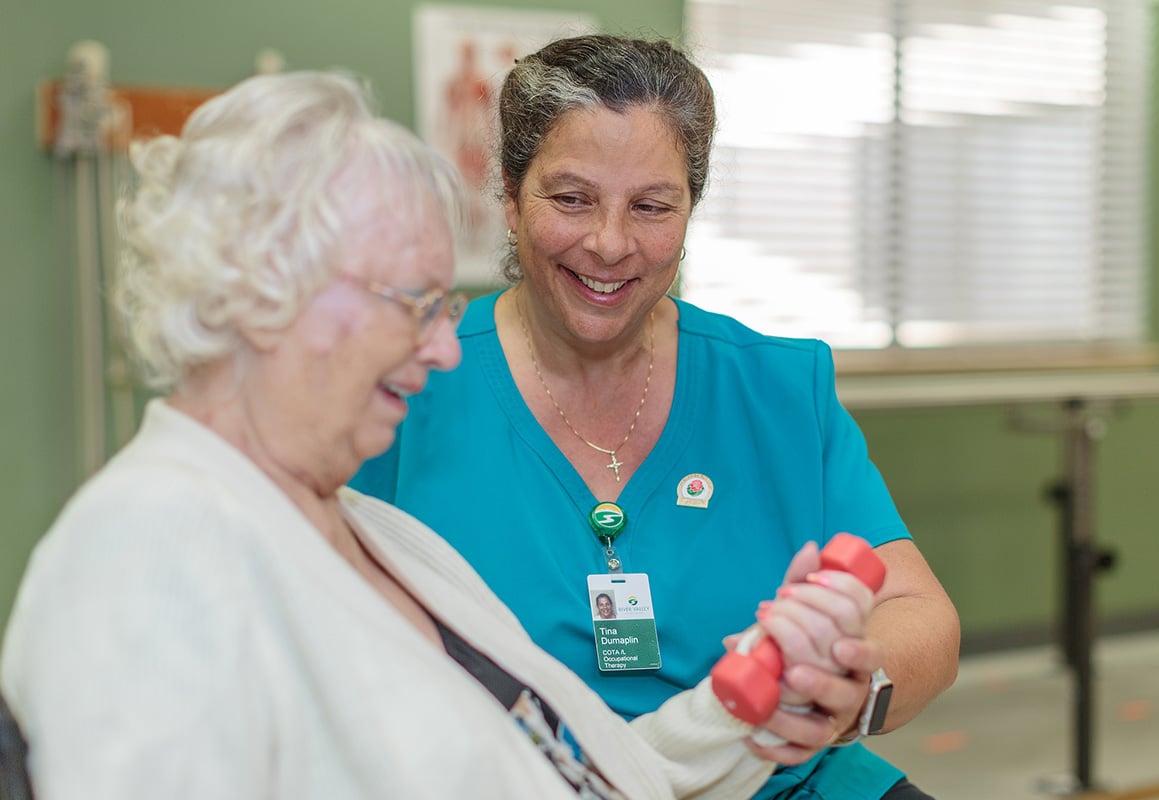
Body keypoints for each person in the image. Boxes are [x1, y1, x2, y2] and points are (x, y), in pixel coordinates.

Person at [0, 70, 877, 800]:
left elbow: (575, 769)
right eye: (414, 305)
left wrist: (747, 701)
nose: (443, 348)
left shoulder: (374, 533)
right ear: (265, 292)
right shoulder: (143, 552)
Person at [351, 34, 961, 800]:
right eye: (571, 199)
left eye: (651, 207)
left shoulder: (776, 387)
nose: (610, 243)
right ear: (510, 196)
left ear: (690, 210)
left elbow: (920, 615)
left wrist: (845, 685)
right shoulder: (411, 384)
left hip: (779, 782)